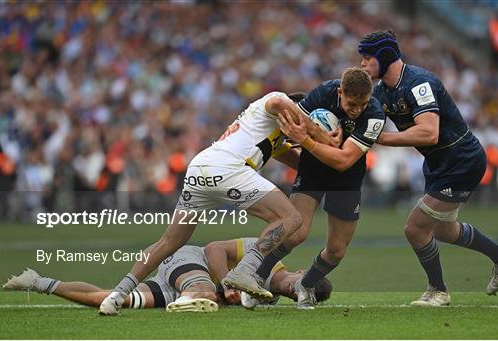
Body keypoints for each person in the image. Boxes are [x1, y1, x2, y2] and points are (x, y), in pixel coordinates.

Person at [99, 91, 335, 315]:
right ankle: (246, 271)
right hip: (226, 169)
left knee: (168, 242)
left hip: (201, 168)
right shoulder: (278, 101)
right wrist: (319, 133)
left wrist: (327, 157)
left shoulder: (272, 137)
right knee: (292, 218)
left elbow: (303, 166)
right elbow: (279, 103)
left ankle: (117, 295)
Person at [358, 30, 498, 306]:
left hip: (461, 161)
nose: (362, 64)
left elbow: (429, 134)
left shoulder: (418, 83)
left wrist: (382, 138)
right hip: (438, 164)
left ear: (384, 58)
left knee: (414, 228)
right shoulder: (383, 91)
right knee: (443, 230)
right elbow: (365, 124)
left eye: (366, 58)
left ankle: (438, 290)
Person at [252, 67, 386, 309]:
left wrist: (306, 139)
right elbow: (292, 125)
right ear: (340, 92)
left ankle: (306, 283)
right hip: (313, 169)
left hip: (346, 177)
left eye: (362, 104)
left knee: (336, 250)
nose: (356, 110)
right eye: (351, 103)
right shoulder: (323, 93)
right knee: (296, 232)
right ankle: (256, 278)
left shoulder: (375, 115)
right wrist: (311, 137)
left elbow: (344, 160)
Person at [3, 238, 332, 312]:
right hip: (191, 260)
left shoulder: (269, 298)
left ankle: (37, 281)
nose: (296, 290)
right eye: (302, 284)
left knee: (117, 301)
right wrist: (227, 281)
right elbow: (216, 247)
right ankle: (194, 298)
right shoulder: (269, 256)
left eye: (302, 294)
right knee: (205, 293)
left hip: (187, 289)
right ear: (302, 271)